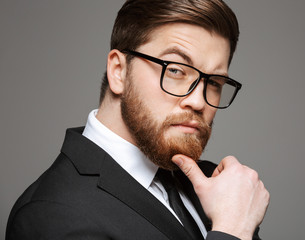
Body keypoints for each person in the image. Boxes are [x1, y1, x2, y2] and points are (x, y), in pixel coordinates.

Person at [6, 0, 269, 239]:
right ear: (118, 72)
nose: (198, 101)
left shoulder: (218, 187)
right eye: (176, 70)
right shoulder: (52, 214)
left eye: (215, 82)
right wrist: (233, 232)